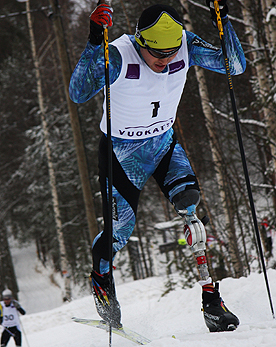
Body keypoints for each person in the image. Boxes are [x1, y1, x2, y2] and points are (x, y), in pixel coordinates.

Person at [69, 0, 246, 332]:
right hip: (121, 154)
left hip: (162, 144)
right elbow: (77, 93)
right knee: (118, 233)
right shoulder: (120, 54)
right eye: (157, 54)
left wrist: (222, 19)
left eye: (171, 52)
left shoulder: (185, 46)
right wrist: (95, 39)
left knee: (192, 209)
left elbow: (234, 65)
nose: (165, 61)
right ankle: (102, 281)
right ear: (141, 42)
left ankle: (212, 302)